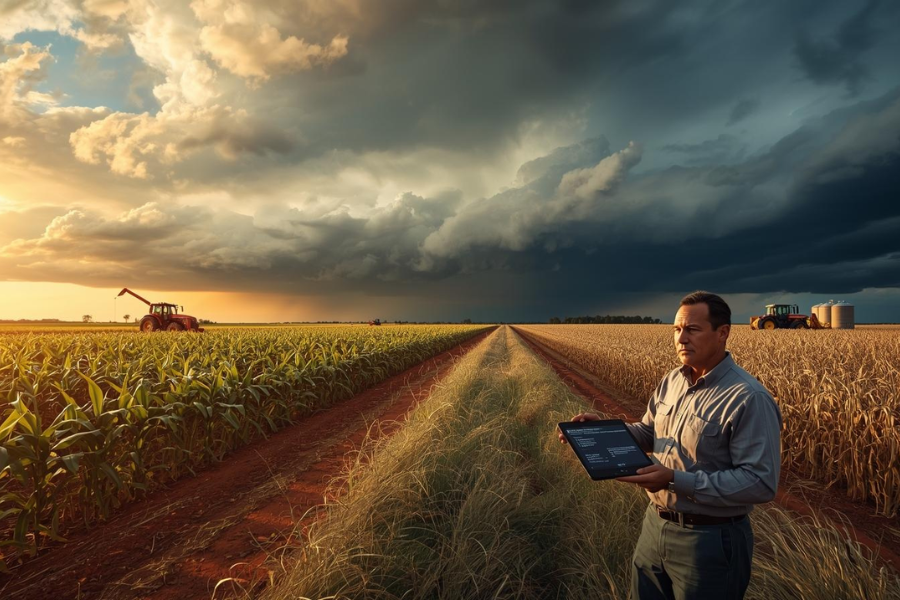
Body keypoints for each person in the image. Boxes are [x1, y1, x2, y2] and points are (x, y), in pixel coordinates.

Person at [558, 291, 782, 600]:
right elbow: (649, 432)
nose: (681, 338)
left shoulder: (747, 398)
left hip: (712, 540)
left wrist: (675, 479)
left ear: (723, 333)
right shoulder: (672, 381)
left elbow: (760, 483)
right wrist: (604, 431)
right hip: (655, 526)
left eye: (692, 329)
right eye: (677, 329)